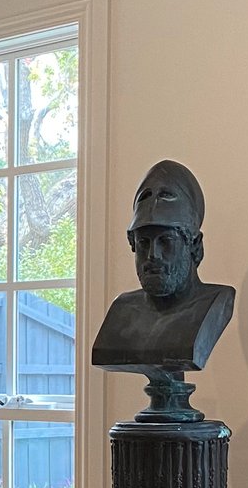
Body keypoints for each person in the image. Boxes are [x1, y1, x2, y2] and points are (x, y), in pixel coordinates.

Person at [91, 159, 234, 378]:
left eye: (166, 241)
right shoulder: (122, 310)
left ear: (194, 245)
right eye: (143, 243)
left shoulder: (216, 302)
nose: (153, 255)